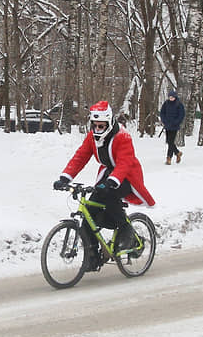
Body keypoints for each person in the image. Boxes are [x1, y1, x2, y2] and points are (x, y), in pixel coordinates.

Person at [53, 101, 155, 259]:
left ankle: (127, 232)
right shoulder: (92, 137)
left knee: (110, 196)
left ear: (109, 123)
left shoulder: (123, 136)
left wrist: (112, 181)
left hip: (127, 176)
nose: (97, 129)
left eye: (101, 126)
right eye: (95, 125)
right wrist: (65, 178)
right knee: (89, 213)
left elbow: (124, 163)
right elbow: (81, 156)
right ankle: (93, 256)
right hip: (108, 174)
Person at [159, 89, 185, 165]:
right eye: (170, 97)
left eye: (172, 97)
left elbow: (181, 115)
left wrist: (176, 122)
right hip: (167, 125)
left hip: (174, 126)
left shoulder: (179, 104)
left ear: (175, 97)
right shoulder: (166, 103)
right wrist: (164, 121)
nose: (171, 98)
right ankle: (177, 153)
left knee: (170, 142)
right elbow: (162, 113)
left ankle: (169, 158)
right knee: (169, 141)